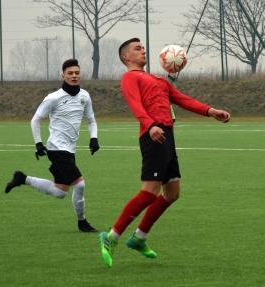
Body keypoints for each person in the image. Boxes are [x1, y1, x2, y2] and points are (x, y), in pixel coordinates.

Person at [98, 38, 231, 268]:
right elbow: (135, 105)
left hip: (167, 136)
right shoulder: (130, 77)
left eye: (143, 48)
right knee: (150, 192)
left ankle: (139, 238)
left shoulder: (159, 80)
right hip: (153, 135)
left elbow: (182, 100)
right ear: (125, 57)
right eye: (137, 49)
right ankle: (111, 237)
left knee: (172, 193)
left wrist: (210, 111)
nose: (143, 51)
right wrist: (150, 126)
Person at [5, 59, 100, 233]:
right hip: (57, 149)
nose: (74, 76)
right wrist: (38, 144)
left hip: (69, 150)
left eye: (76, 73)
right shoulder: (53, 98)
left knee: (60, 192)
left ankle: (23, 179)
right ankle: (82, 222)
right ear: (63, 76)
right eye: (70, 73)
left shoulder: (85, 96)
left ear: (80, 75)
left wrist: (94, 138)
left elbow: (92, 120)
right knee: (79, 185)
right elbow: (36, 119)